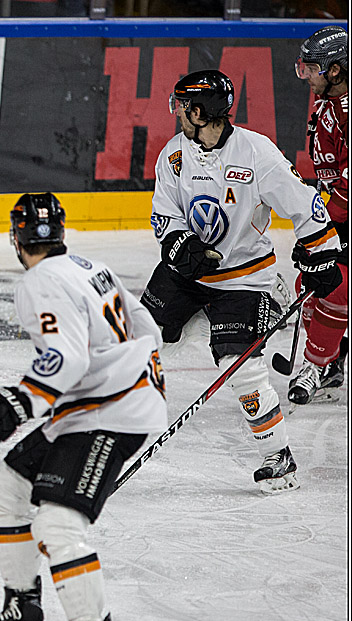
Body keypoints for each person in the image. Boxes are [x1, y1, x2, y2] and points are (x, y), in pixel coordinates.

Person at [0, 193, 167, 621]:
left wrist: (19, 402)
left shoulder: (39, 281)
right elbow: (148, 327)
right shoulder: (88, 266)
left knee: (59, 523)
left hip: (111, 412)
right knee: (6, 485)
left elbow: (69, 358)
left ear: (16, 237)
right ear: (60, 230)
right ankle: (24, 614)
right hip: (99, 404)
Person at [140, 69, 342, 493]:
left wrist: (324, 256)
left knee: (239, 368)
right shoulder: (174, 155)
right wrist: (177, 242)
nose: (177, 114)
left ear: (198, 111)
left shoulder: (256, 152)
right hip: (188, 275)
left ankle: (277, 453)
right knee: (134, 335)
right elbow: (165, 213)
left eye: (182, 106)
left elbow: (305, 204)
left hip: (245, 278)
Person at [289, 26, 349, 405]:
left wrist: (324, 223)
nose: (305, 75)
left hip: (343, 211)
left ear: (336, 70)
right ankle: (331, 360)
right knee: (307, 287)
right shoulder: (326, 101)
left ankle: (320, 363)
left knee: (335, 287)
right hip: (337, 208)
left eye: (312, 68)